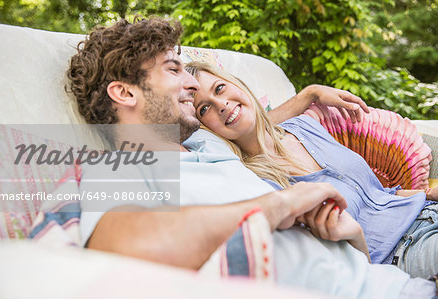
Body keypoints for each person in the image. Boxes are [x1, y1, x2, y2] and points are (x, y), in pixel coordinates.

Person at [66, 17, 437, 298]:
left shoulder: (208, 146)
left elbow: (254, 122)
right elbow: (119, 247)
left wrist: (353, 236)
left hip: (392, 282)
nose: (192, 84)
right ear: (124, 93)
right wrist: (278, 204)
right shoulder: (115, 167)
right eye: (174, 70)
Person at [186, 61, 438, 279]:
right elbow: (335, 268)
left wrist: (426, 194)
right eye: (204, 109)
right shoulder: (255, 183)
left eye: (220, 88)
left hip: (426, 212)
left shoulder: (303, 126)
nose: (220, 104)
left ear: (237, 84)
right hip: (402, 251)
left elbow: (379, 195)